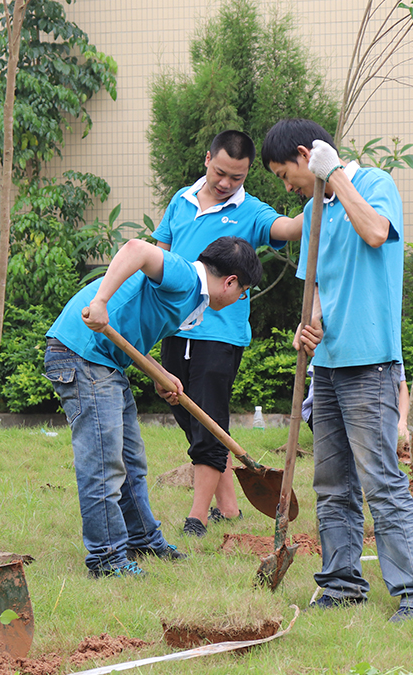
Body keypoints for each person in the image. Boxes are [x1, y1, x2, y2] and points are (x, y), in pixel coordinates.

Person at [262, 118, 413, 622]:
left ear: (305, 155)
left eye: (284, 173)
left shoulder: (374, 185)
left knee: (381, 480)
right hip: (329, 367)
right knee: (332, 484)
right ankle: (341, 583)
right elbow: (316, 287)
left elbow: (378, 232)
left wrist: (335, 175)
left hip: (371, 365)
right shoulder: (314, 210)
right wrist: (308, 328)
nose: (287, 184)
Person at [45, 237, 305, 578]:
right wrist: (101, 300)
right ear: (230, 282)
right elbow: (136, 249)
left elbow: (129, 326)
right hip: (81, 356)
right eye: (243, 292)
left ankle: (142, 539)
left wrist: (159, 372)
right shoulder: (186, 277)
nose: (240, 299)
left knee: (131, 461)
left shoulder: (191, 299)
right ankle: (106, 560)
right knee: (105, 465)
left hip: (106, 362)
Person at [153, 130, 304, 537]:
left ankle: (197, 517)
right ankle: (230, 507)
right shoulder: (180, 201)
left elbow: (289, 228)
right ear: (207, 160)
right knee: (188, 414)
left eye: (236, 178)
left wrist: (329, 195)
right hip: (175, 326)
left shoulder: (251, 212)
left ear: (246, 175)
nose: (225, 183)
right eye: (220, 173)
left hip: (220, 333)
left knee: (210, 420)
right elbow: (160, 252)